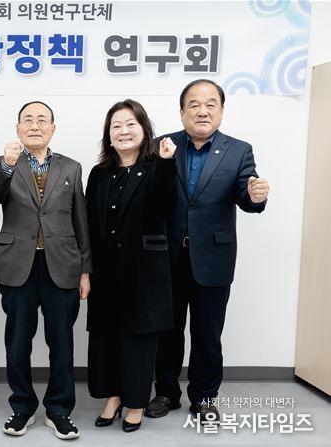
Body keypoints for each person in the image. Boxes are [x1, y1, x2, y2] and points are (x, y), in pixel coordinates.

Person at [146, 79, 270, 422]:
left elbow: (246, 194)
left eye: (210, 104)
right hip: (168, 258)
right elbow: (151, 195)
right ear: (182, 111)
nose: (203, 111)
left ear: (221, 110)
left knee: (208, 333)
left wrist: (255, 197)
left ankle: (204, 396)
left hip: (213, 258)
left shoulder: (238, 150)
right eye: (194, 105)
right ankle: (166, 393)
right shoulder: (162, 145)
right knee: (167, 332)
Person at [0, 101, 91, 441]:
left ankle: (59, 410)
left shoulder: (71, 167)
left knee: (62, 342)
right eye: (27, 120)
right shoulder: (3, 163)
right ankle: (22, 407)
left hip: (62, 265)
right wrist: (7, 166)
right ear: (17, 129)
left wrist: (85, 270)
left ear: (53, 129)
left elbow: (81, 221)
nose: (35, 125)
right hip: (18, 265)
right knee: (18, 341)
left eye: (42, 120)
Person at [85, 99, 177, 433]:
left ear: (144, 129)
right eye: (116, 126)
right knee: (106, 338)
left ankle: (136, 402)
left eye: (130, 124)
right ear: (108, 135)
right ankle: (112, 397)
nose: (123, 131)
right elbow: (89, 224)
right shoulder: (99, 173)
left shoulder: (157, 166)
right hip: (105, 271)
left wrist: (166, 163)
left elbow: (164, 201)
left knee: (138, 340)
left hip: (144, 271)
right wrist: (85, 269)